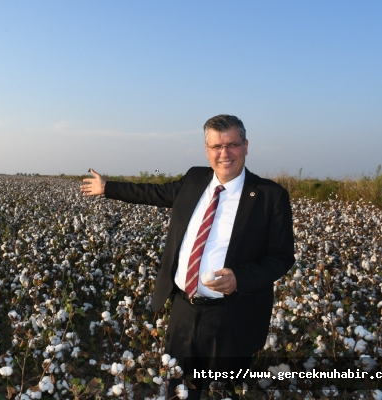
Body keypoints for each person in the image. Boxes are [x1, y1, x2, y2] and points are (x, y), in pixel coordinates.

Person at [80, 114, 294, 399]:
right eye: (216, 146)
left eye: (232, 145)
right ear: (207, 149)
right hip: (183, 309)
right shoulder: (194, 179)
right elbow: (152, 193)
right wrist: (108, 188)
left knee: (221, 391)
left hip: (231, 317)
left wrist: (239, 279)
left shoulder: (270, 195)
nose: (224, 153)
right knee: (178, 388)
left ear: (245, 146)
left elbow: (281, 257)